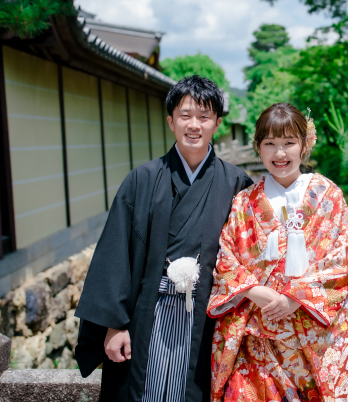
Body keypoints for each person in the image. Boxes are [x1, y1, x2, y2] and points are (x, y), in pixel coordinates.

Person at [75, 76, 253, 402]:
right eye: (185, 115)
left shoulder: (236, 182)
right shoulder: (142, 180)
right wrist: (114, 326)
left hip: (208, 318)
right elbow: (116, 256)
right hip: (148, 313)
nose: (194, 125)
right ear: (171, 121)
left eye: (204, 116)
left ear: (218, 123)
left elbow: (250, 258)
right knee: (144, 389)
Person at [207, 103, 348, 402]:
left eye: (288, 143)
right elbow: (226, 259)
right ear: (258, 147)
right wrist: (257, 292)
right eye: (269, 143)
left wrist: (295, 297)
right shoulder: (244, 202)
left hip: (316, 339)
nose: (279, 153)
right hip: (260, 336)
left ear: (304, 145)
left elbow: (345, 257)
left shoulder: (327, 194)